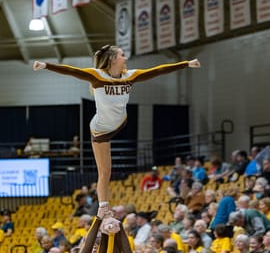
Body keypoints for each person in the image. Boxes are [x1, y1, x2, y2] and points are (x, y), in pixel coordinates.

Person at [33, 47, 201, 220]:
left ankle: (103, 206)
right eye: (122, 55)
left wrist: (186, 64)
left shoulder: (129, 76)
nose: (125, 57)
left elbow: (158, 70)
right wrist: (46, 65)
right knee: (105, 171)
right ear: (112, 59)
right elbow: (71, 71)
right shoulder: (97, 76)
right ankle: (103, 207)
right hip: (101, 130)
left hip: (120, 123)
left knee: (106, 170)